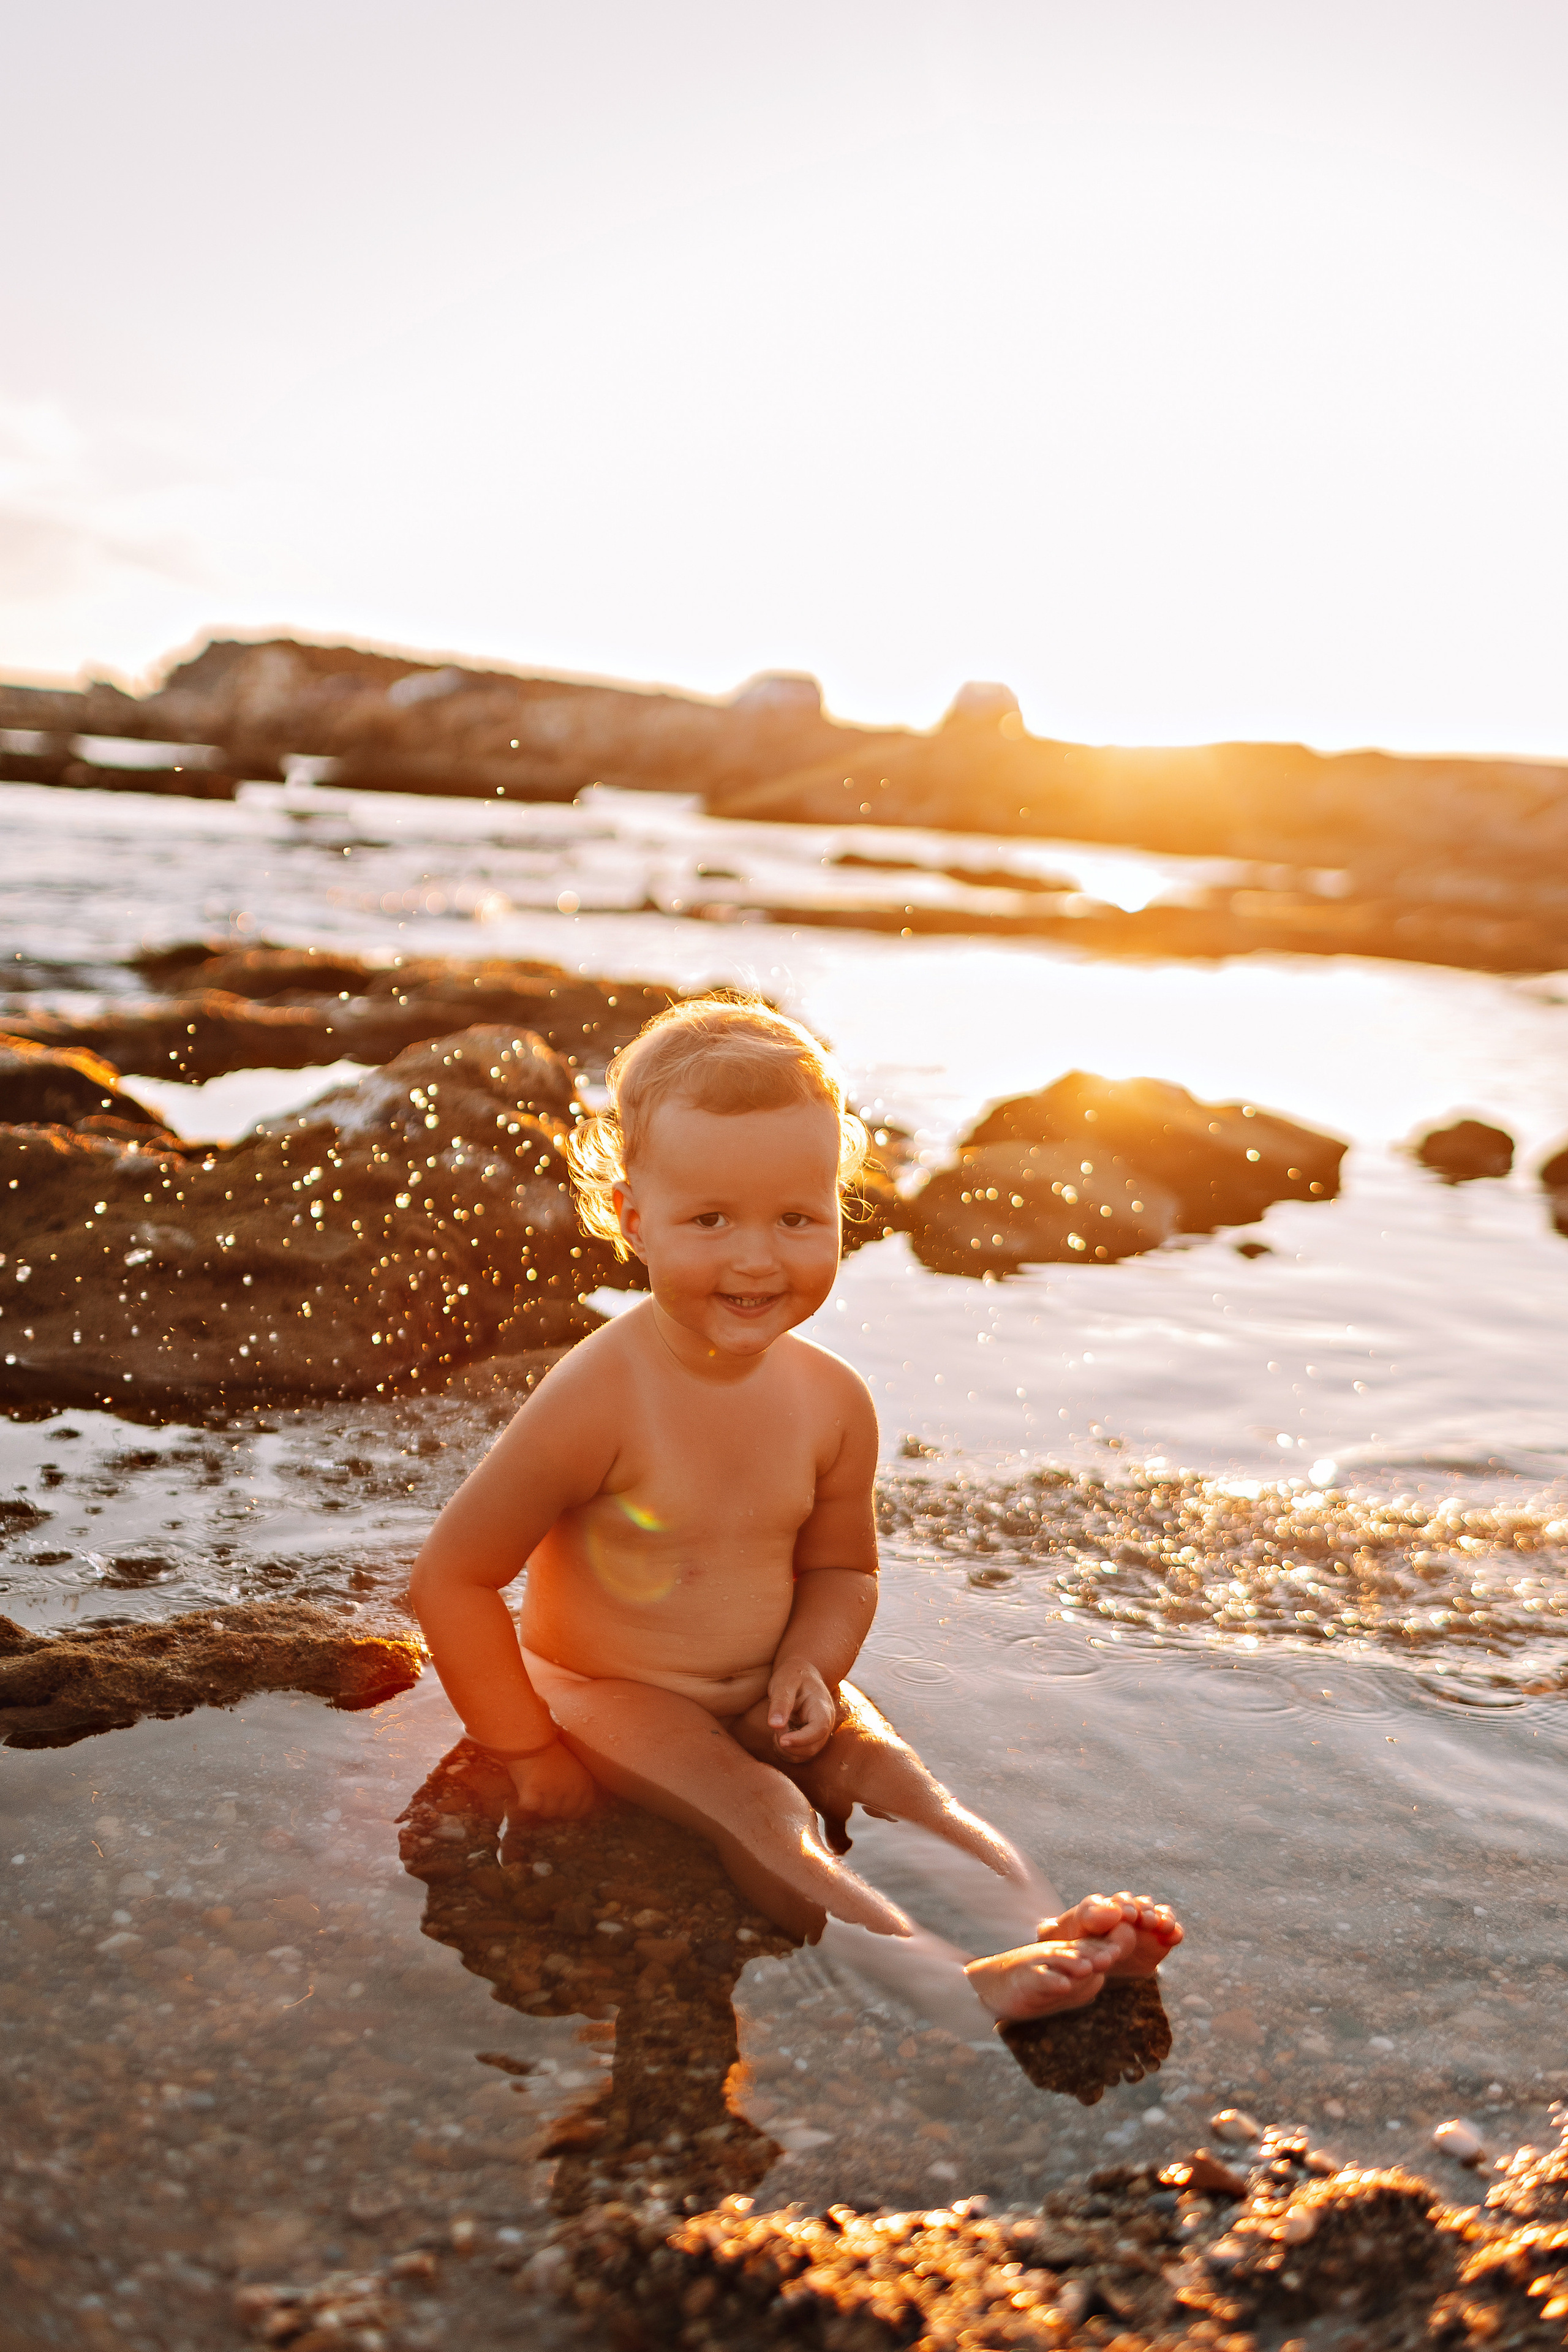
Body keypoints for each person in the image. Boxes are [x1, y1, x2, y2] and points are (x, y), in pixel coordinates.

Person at [409, 997, 1181, 2024]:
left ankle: (1052, 1928)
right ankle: (938, 1981)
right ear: (635, 1219)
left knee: (900, 1778)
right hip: (606, 1687)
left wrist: (811, 1667)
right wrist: (526, 1748)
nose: (757, 1259)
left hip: (772, 1681)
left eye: (796, 1218)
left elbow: (841, 1571)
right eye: (710, 1220)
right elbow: (452, 1580)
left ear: (842, 1208)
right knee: (762, 1806)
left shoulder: (832, 1401)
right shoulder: (600, 1397)